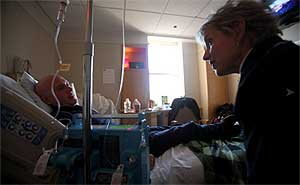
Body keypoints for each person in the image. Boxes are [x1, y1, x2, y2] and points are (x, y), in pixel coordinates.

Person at [198, 0, 299, 184]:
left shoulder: (259, 77)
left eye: (210, 42)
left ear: (237, 29)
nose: (205, 55)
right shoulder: (283, 55)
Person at [35, 74, 240, 157]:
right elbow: (85, 142)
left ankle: (223, 130)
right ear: (48, 98)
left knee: (169, 128)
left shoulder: (77, 108)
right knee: (186, 129)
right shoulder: (63, 119)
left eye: (68, 85)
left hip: (130, 133)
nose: (69, 90)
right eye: (61, 88)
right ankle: (223, 129)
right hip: (125, 144)